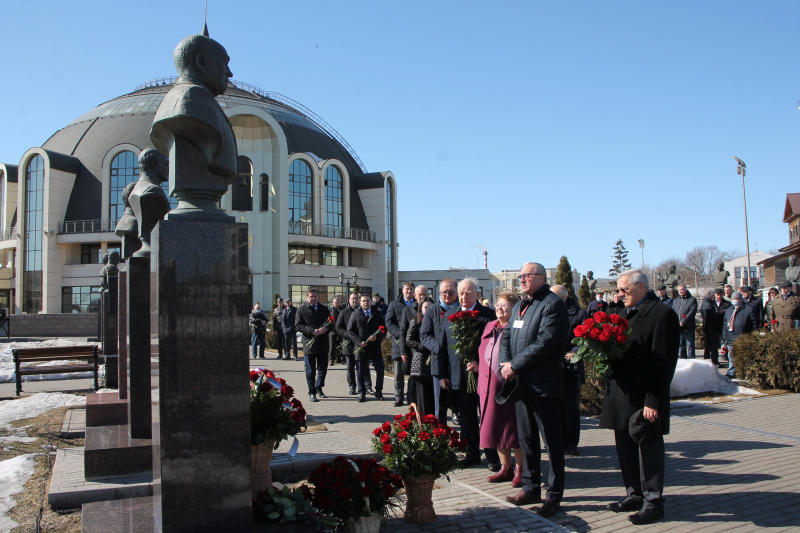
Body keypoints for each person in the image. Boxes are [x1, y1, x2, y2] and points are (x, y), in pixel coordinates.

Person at [600, 269, 679, 525]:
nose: (619, 294)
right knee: (624, 448)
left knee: (649, 450)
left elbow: (664, 363)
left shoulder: (662, 314)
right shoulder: (621, 313)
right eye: (619, 289)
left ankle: (653, 502)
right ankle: (633, 494)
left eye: (625, 290)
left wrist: (654, 400)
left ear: (642, 287)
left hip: (645, 397)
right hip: (622, 395)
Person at [498, 263, 568, 518]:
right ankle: (530, 487)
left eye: (527, 275)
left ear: (541, 278)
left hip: (544, 385)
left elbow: (546, 343)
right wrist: (505, 364)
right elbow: (506, 337)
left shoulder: (552, 304)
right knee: (526, 439)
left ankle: (554, 495)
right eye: (520, 276)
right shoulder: (520, 305)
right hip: (521, 384)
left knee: (551, 442)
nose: (522, 279)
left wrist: (515, 366)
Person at [439, 277, 497, 468]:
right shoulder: (449, 316)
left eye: (468, 293)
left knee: (488, 416)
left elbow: (496, 346)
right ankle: (472, 453)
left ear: (477, 294)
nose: (463, 297)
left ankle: (493, 456)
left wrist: (479, 363)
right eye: (461, 293)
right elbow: (442, 347)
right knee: (467, 417)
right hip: (459, 376)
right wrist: (442, 374)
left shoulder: (489, 315)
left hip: (485, 376)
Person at [477, 291, 523, 486]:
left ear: (515, 308)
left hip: (509, 387)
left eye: (505, 305)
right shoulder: (489, 326)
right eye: (498, 304)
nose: (499, 308)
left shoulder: (518, 327)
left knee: (514, 431)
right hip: (488, 386)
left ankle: (521, 469)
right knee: (495, 429)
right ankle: (505, 467)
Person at [551, 285, 587, 456]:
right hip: (551, 368)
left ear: (563, 297)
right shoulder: (549, 312)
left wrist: (574, 351)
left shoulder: (579, 314)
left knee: (570, 407)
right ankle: (556, 441)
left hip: (571, 368)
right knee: (554, 408)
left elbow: (585, 339)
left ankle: (571, 442)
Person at [420, 278, 460, 423]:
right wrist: (441, 349)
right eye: (444, 292)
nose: (447, 295)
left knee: (462, 405)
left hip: (460, 365)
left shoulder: (463, 309)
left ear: (456, 291)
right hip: (439, 365)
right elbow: (424, 335)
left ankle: (466, 441)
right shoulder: (432, 310)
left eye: (450, 292)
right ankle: (441, 439)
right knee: (440, 406)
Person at [295, 289, 332, 402]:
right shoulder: (301, 310)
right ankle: (312, 392)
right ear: (307, 297)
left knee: (323, 368)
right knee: (310, 370)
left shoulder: (324, 309)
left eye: (315, 296)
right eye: (311, 297)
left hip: (322, 344)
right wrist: (311, 331)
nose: (313, 298)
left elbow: (331, 323)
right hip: (309, 344)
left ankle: (319, 388)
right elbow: (298, 326)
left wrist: (326, 328)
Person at [348, 294, 387, 402]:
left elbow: (384, 330)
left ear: (371, 301)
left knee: (380, 370)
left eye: (368, 300)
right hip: (361, 348)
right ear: (360, 302)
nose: (366, 303)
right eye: (363, 301)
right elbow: (350, 331)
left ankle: (378, 391)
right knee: (360, 372)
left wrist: (377, 337)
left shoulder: (377, 313)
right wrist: (359, 342)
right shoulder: (355, 314)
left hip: (375, 348)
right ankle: (362, 393)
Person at [336, 292, 373, 395]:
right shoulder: (344, 312)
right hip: (349, 344)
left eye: (357, 299)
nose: (354, 300)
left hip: (362, 344)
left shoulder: (364, 312)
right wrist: (348, 335)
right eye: (353, 299)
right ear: (349, 300)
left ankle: (368, 386)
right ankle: (352, 387)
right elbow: (338, 327)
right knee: (350, 367)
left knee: (365, 366)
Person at [386, 282, 416, 407]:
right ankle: (398, 396)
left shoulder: (418, 304)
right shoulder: (394, 305)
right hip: (399, 343)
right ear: (402, 291)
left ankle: (411, 396)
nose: (408, 291)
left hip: (414, 343)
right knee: (398, 373)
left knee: (413, 372)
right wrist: (400, 333)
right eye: (406, 289)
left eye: (411, 289)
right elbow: (389, 322)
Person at [404, 297, 436, 415]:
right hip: (421, 363)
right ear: (421, 309)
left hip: (435, 361)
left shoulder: (438, 321)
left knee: (433, 395)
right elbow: (408, 340)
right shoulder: (416, 322)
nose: (428, 310)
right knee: (422, 396)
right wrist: (424, 346)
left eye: (431, 307)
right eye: (425, 307)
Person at [399, 285, 430, 405]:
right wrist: (403, 351)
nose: (422, 297)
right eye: (420, 295)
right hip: (412, 351)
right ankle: (412, 402)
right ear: (415, 296)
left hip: (428, 354)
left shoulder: (432, 307)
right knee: (413, 378)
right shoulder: (407, 310)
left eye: (425, 294)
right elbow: (403, 332)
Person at [723, 291, 755, 378]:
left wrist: (753, 336)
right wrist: (724, 337)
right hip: (731, 337)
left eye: (736, 299)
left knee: (743, 356)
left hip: (743, 336)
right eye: (733, 299)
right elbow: (725, 325)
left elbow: (753, 324)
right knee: (731, 357)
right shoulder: (729, 310)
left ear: (740, 299)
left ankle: (744, 373)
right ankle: (731, 372)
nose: (734, 300)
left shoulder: (748, 309)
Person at [671, 284, 697, 359]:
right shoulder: (676, 300)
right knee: (681, 345)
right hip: (679, 327)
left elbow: (692, 312)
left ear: (685, 289)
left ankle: (691, 361)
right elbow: (673, 311)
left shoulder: (692, 300)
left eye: (682, 289)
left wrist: (683, 321)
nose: (680, 291)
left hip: (688, 327)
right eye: (679, 290)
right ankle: (682, 360)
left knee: (690, 345)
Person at [700, 291, 721, 366]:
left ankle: (707, 360)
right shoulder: (709, 305)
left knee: (708, 346)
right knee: (713, 346)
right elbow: (714, 317)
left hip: (707, 328)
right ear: (711, 295)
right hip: (711, 328)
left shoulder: (704, 303)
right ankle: (714, 361)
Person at [328, 296, 344, 366]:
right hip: (333, 330)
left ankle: (343, 359)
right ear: (333, 303)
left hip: (340, 330)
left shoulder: (342, 310)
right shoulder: (330, 310)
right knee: (332, 346)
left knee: (342, 345)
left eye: (338, 302)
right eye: (335, 302)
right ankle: (331, 360)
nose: (337, 304)